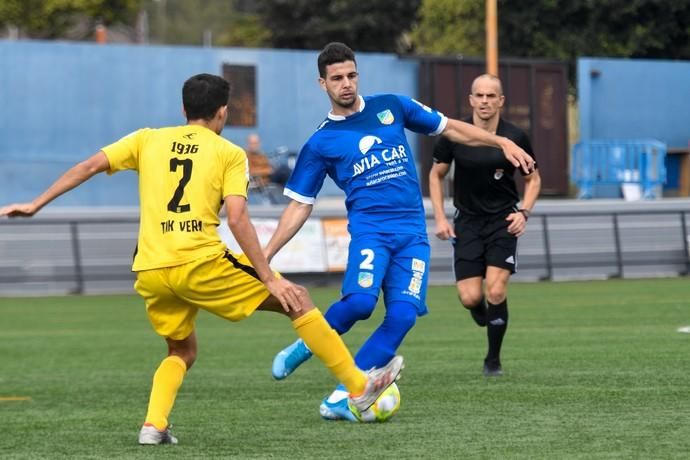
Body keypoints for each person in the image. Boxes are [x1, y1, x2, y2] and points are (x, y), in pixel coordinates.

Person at [0, 73, 403, 444]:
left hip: (152, 269)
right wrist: (269, 276)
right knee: (296, 298)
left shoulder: (147, 139)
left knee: (181, 352)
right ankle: (358, 386)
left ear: (183, 110)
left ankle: (154, 425)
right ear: (223, 111)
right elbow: (237, 216)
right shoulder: (229, 153)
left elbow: (89, 165)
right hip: (199, 261)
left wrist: (36, 203)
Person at [265, 43, 535, 421]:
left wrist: (500, 140)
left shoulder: (392, 106)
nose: (346, 84)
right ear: (322, 83)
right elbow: (298, 204)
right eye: (337, 78)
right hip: (371, 233)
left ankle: (344, 395)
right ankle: (307, 343)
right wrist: (267, 254)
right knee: (360, 304)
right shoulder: (320, 142)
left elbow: (452, 128)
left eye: (352, 75)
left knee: (404, 316)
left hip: (412, 235)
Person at [428, 73, 542, 377]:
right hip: (467, 222)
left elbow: (533, 179)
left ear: (501, 101)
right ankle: (482, 312)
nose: (485, 101)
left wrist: (524, 212)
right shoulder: (454, 135)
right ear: (471, 99)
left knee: (495, 290)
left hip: (502, 221)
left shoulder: (516, 137)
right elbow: (435, 176)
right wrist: (439, 217)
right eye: (479, 95)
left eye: (491, 96)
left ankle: (493, 360)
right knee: (470, 297)